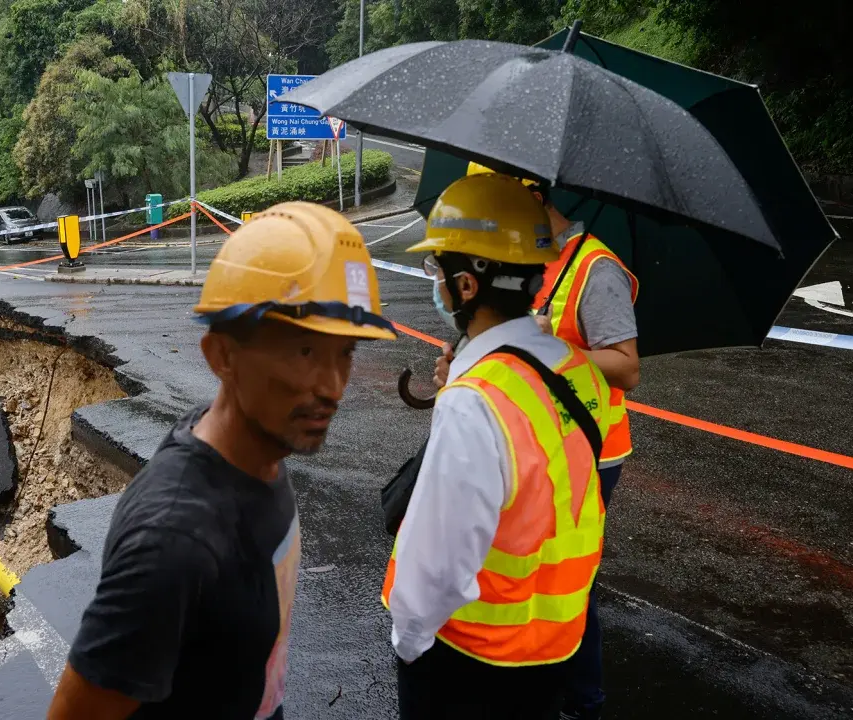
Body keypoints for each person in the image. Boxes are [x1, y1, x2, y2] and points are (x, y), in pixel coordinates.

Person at [47, 202, 396, 720]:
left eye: (345, 352)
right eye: (303, 351)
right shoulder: (174, 543)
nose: (332, 386)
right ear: (221, 356)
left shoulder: (260, 449)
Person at [384, 173, 611, 719]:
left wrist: (409, 643)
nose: (433, 280)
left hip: (467, 665)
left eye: (437, 267)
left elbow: (436, 566)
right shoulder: (574, 369)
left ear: (467, 285)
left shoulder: (475, 401)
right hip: (552, 649)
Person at [444, 164, 640, 720]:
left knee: (569, 582)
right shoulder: (526, 260)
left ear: (529, 197)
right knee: (523, 572)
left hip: (589, 451)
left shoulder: (595, 269)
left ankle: (583, 702)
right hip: (533, 440)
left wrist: (540, 351)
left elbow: (626, 367)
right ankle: (535, 687)